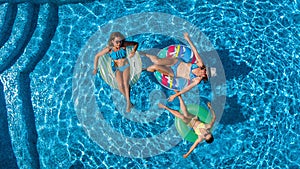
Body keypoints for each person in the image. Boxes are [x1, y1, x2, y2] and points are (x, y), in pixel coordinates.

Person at [141, 32, 209, 102]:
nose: (204, 72)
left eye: (205, 74)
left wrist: (175, 96)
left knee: (155, 66)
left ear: (205, 76)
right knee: (157, 61)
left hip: (173, 72)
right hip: (176, 62)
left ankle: (143, 69)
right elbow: (195, 52)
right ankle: (145, 54)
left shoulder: (197, 80)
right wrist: (188, 39)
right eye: (206, 70)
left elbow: (186, 89)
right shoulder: (200, 64)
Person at [158, 91, 216, 158]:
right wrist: (210, 107)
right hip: (194, 118)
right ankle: (179, 96)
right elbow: (214, 117)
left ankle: (166, 107)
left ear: (204, 137)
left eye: (206, 134)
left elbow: (193, 147)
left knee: (182, 117)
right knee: (185, 114)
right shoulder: (208, 126)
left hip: (189, 124)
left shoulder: (200, 138)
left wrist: (187, 154)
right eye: (208, 132)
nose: (206, 132)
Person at [93, 32, 138, 112]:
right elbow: (97, 56)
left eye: (120, 41)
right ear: (112, 41)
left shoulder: (124, 45)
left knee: (125, 83)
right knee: (120, 86)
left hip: (126, 66)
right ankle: (129, 101)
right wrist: (95, 68)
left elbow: (136, 44)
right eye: (117, 42)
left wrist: (133, 51)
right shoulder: (109, 49)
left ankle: (128, 103)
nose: (119, 43)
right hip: (117, 68)